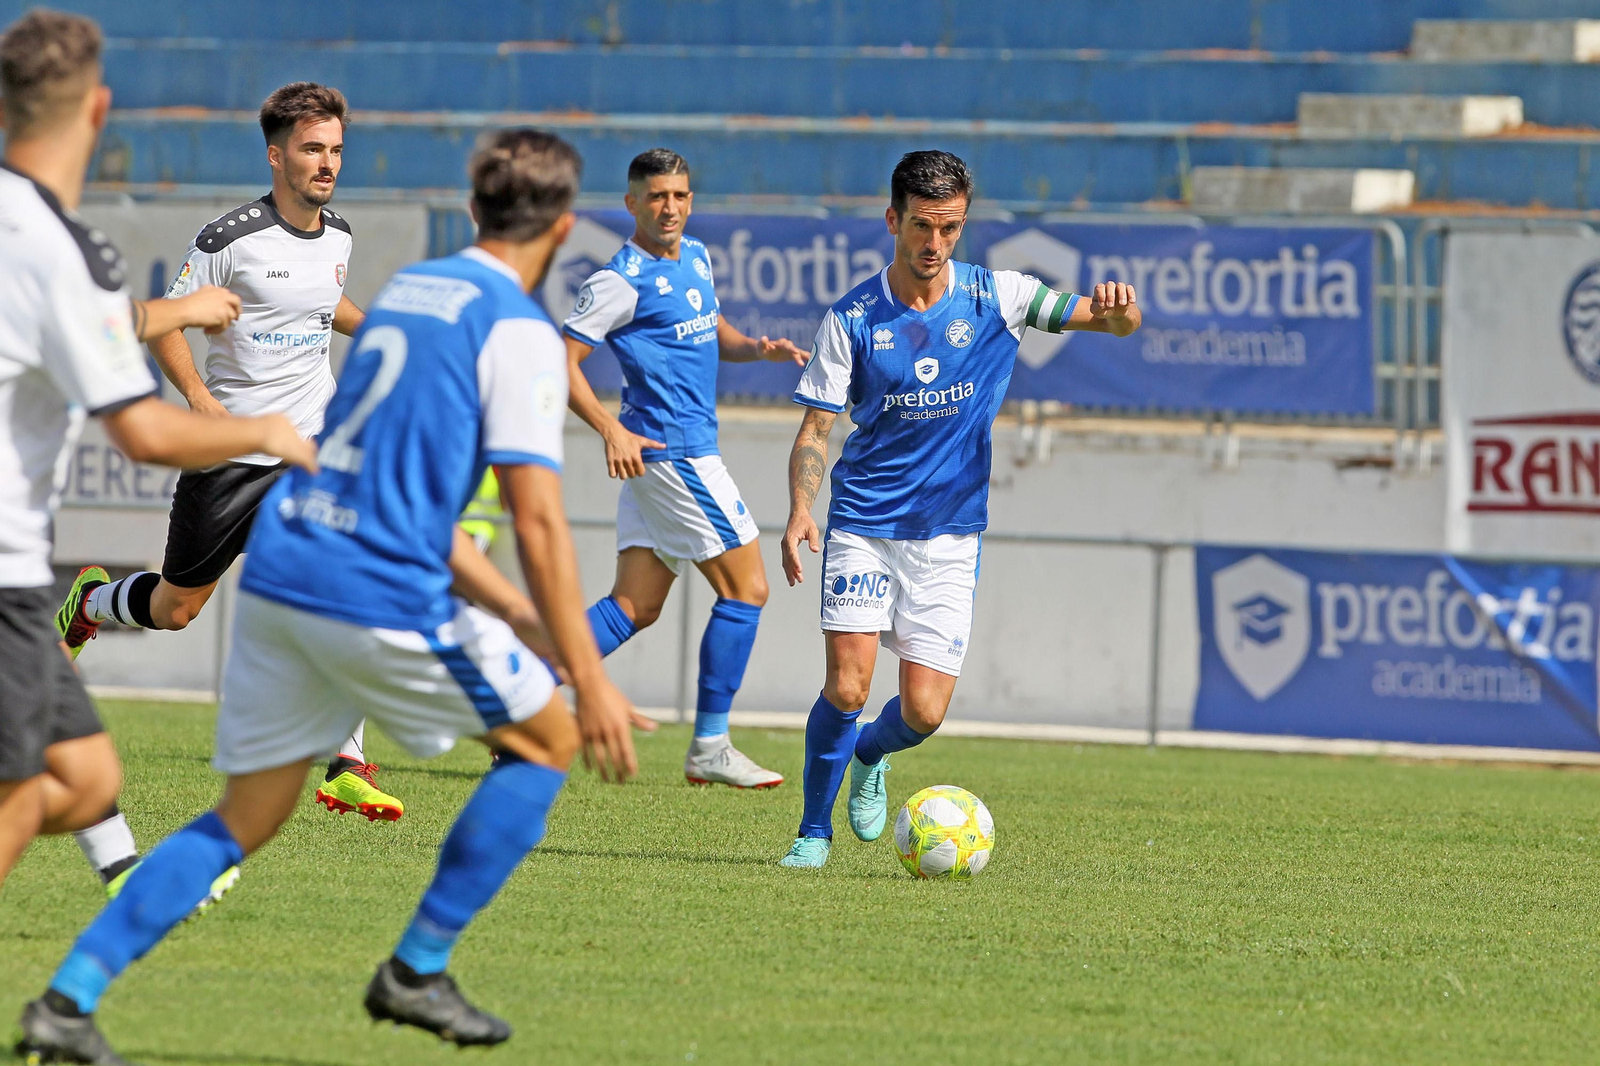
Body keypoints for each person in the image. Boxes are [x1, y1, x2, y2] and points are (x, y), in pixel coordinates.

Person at [17, 126, 643, 1064]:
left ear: (473, 209)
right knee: (548, 738)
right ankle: (417, 969)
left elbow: (383, 482)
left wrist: (510, 614)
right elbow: (541, 524)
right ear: (558, 232)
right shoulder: (513, 330)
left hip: (287, 567)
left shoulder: (407, 299)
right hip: (368, 581)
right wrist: (586, 674)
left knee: (244, 818)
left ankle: (67, 1002)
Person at [54, 81, 402, 909]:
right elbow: (169, 319)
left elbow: (323, 305)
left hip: (311, 447)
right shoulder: (229, 238)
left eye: (337, 150)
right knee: (177, 608)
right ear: (277, 153)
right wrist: (202, 409)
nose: (328, 164)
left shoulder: (340, 235)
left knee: (353, 582)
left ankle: (347, 762)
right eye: (313, 149)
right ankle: (95, 604)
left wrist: (385, 326)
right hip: (232, 452)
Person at [0, 7, 316, 902]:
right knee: (41, 782)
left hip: (19, 580)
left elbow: (96, 325)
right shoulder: (66, 250)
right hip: (5, 568)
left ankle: (130, 885)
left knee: (85, 779)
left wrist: (174, 314)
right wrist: (259, 430)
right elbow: (142, 431)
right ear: (98, 111)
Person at [777, 150, 1142, 868]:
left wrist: (1122, 312)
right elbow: (816, 430)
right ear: (893, 220)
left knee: (923, 712)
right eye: (920, 226)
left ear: (962, 223)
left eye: (948, 228)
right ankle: (812, 834)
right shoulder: (851, 318)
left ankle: (871, 758)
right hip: (864, 525)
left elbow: (1103, 324)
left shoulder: (999, 297)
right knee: (847, 685)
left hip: (949, 535)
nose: (933, 243)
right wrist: (799, 509)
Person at [562, 147, 806, 788]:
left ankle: (516, 700)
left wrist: (755, 349)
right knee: (748, 588)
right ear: (632, 203)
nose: (669, 207)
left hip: (666, 456)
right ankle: (710, 746)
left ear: (690, 200)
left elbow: (709, 326)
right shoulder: (620, 278)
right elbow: (558, 364)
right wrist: (609, 427)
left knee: (634, 606)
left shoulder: (696, 255)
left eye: (680, 195)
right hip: (674, 453)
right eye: (657, 196)